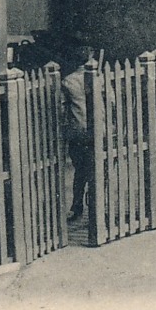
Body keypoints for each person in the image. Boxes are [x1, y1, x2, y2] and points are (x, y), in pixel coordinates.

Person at [56, 37, 94, 226]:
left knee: (80, 171)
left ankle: (77, 206)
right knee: (97, 169)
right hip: (100, 130)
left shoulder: (67, 82)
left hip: (79, 132)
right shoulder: (99, 77)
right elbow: (111, 102)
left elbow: (62, 109)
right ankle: (94, 204)